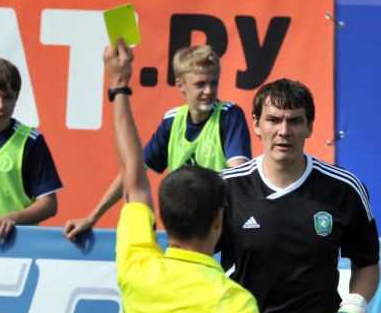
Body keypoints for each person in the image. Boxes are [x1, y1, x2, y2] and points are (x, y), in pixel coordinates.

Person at [105, 39, 294, 313]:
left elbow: (135, 182)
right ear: (219, 220)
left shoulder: (135, 268)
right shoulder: (232, 301)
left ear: (162, 218)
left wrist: (119, 87)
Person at [219, 78, 380, 313]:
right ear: (256, 124)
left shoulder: (343, 190)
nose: (284, 131)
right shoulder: (226, 189)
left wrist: (355, 307)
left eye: (294, 120)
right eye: (273, 120)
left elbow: (367, 262)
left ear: (309, 127)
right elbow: (195, 259)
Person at [64, 44, 251, 240]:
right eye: (200, 84)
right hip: (185, 233)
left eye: (214, 83)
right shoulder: (172, 121)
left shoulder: (230, 115)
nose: (209, 91)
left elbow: (238, 177)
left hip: (224, 233)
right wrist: (92, 217)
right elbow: (132, 173)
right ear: (180, 85)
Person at [0, 57, 62, 241]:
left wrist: (12, 219)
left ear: (16, 98)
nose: (0, 106)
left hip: (12, 248)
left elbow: (49, 204)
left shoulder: (30, 141)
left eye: (7, 97)